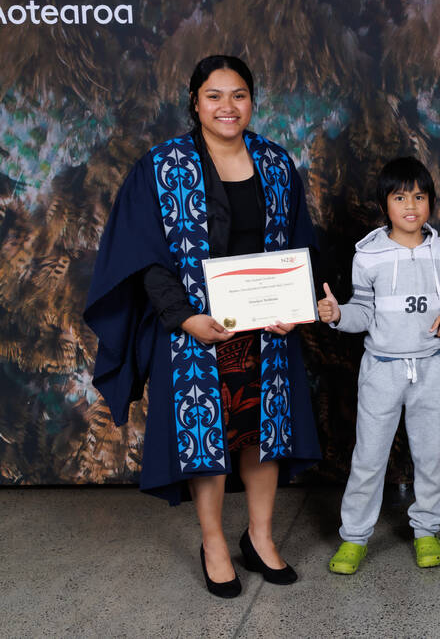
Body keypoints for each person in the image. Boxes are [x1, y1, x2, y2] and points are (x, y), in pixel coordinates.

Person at [84, 55, 322, 598]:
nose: (227, 107)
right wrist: (185, 317)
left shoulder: (276, 163)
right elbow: (145, 257)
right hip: (195, 329)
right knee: (206, 439)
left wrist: (296, 304)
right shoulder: (162, 166)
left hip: (266, 330)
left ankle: (259, 537)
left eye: (239, 95)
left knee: (262, 434)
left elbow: (298, 244)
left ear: (252, 101)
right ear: (195, 102)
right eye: (214, 96)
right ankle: (214, 542)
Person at [318, 156, 440, 574]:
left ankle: (427, 530)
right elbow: (364, 311)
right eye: (400, 197)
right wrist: (338, 315)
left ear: (431, 202)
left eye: (419, 196)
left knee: (431, 456)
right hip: (382, 369)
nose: (411, 206)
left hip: (431, 367)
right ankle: (354, 536)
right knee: (369, 457)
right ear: (385, 204)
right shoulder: (368, 255)